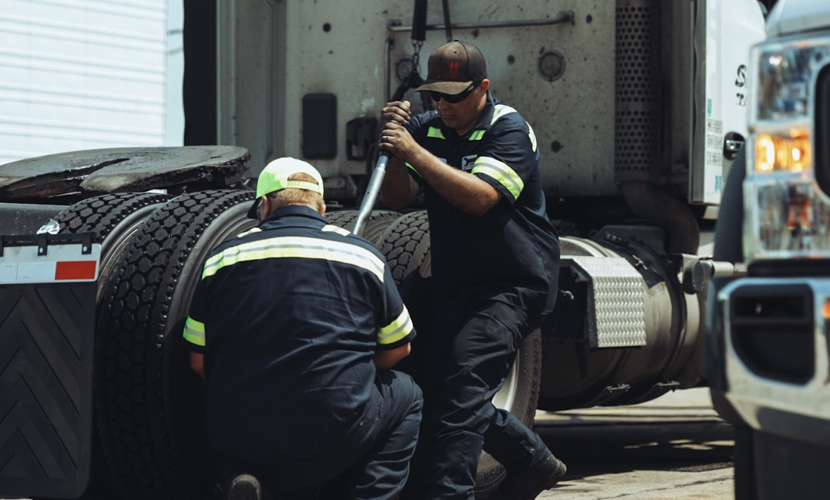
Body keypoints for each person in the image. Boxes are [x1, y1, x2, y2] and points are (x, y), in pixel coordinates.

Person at [379, 40, 565, 500]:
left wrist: (415, 152)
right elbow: (398, 197)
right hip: (455, 282)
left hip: (514, 283)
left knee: (464, 383)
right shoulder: (430, 127)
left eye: (454, 96)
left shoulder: (510, 129)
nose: (443, 105)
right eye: (435, 96)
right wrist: (394, 146)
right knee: (428, 381)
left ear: (482, 88)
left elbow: (482, 198)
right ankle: (534, 462)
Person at [183, 157, 423, 500]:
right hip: (332, 431)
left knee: (226, 399)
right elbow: (399, 348)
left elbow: (197, 362)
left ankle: (243, 476)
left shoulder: (222, 259)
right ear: (321, 209)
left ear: (264, 206)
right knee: (408, 392)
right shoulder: (363, 257)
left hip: (242, 435)